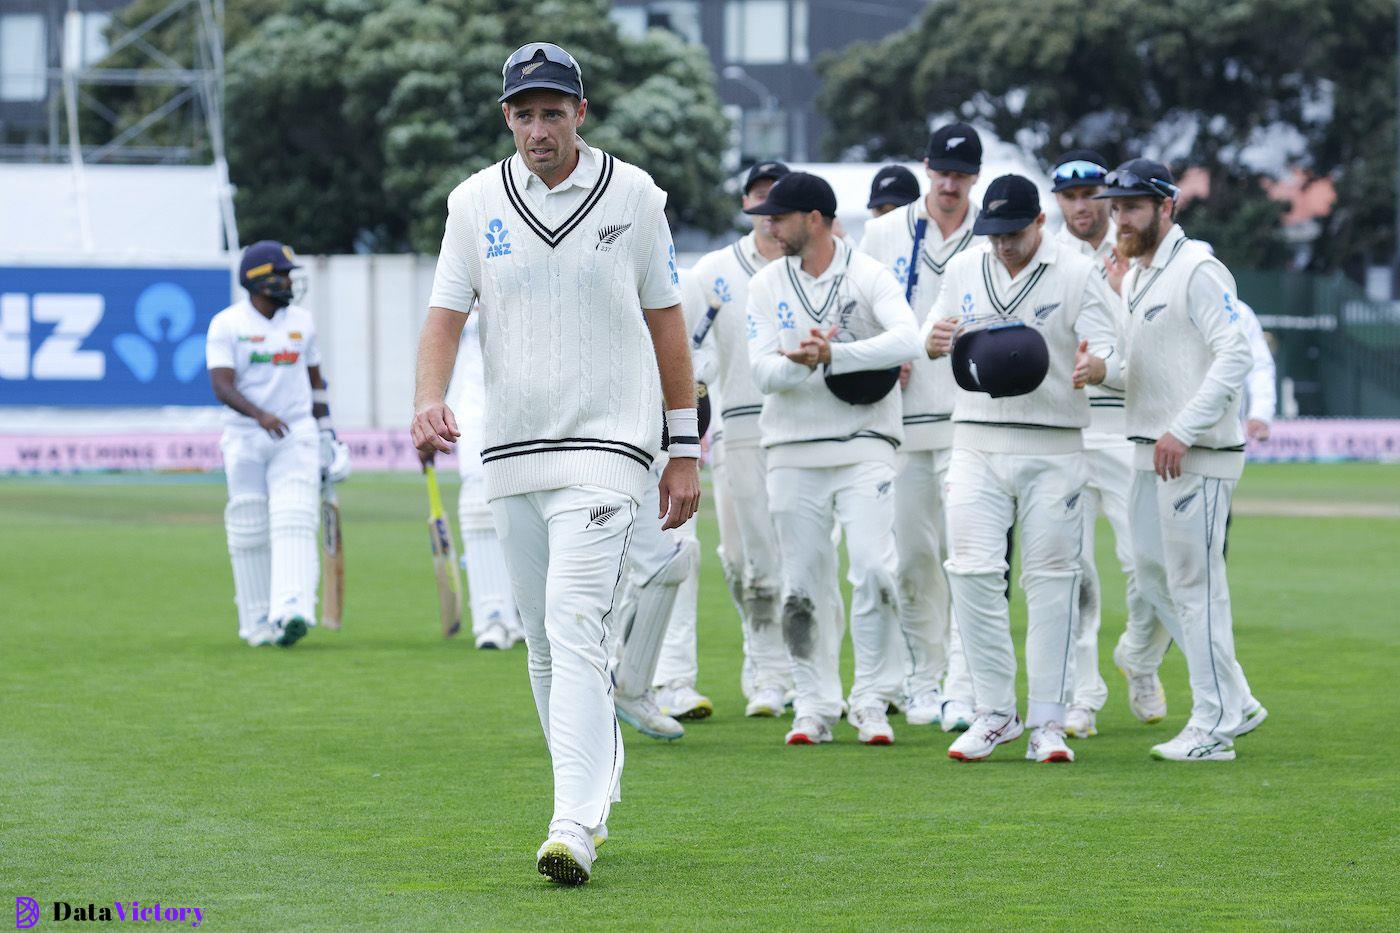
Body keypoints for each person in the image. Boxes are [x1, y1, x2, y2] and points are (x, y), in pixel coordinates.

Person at [411, 43, 700, 883]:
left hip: (611, 447)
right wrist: (428, 398)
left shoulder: (637, 196)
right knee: (542, 640)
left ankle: (572, 819)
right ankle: (588, 792)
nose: (540, 128)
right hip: (512, 449)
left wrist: (682, 449)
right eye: (525, 113)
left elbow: (668, 325)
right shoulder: (472, 203)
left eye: (554, 111)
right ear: (507, 118)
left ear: (582, 112)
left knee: (576, 623)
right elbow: (443, 316)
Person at [923, 175, 1121, 763]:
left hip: (1055, 445)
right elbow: (933, 334)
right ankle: (993, 713)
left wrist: (1099, 366)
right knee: (972, 572)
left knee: (1053, 581)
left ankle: (1049, 723)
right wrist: (932, 340)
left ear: (1039, 223)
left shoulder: (1079, 272)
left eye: (1014, 234)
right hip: (976, 441)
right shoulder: (963, 268)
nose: (1003, 246)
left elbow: (1111, 342)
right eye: (995, 236)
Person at [1095, 159, 1264, 761]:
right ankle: (1235, 697)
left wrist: (1184, 429)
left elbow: (1235, 355)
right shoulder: (1136, 278)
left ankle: (1214, 726)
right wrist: (1103, 372)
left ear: (1168, 207)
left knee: (1197, 589)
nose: (1122, 218)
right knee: (1148, 573)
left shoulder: (1198, 269)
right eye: (1117, 208)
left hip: (1199, 455)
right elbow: (1147, 371)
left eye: (1134, 206)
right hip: (1148, 452)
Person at [745, 171, 921, 746]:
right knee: (802, 584)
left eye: (778, 216)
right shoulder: (767, 283)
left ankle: (872, 698)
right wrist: (800, 361)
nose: (767, 225)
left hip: (865, 441)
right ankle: (815, 705)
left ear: (813, 219)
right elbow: (762, 372)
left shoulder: (867, 272)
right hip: (792, 449)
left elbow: (906, 339)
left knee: (874, 567)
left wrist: (835, 355)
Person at [858, 123, 984, 731]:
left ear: (975, 178)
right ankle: (924, 680)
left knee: (969, 558)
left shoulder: (995, 231)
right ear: (927, 168)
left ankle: (965, 685)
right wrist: (889, 350)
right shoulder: (885, 232)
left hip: (975, 420)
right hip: (903, 425)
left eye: (962, 175)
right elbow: (856, 311)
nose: (950, 185)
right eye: (943, 173)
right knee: (911, 560)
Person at [680, 162, 799, 718]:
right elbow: (688, 351)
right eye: (760, 197)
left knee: (799, 557)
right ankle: (765, 667)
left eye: (779, 197)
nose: (770, 208)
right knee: (744, 560)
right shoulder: (714, 272)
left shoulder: (815, 264)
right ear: (748, 204)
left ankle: (794, 673)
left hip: (804, 428)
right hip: (739, 427)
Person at [1049, 148, 1155, 738]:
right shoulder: (1050, 260)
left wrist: (1121, 293)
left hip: (1127, 428)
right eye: (1069, 196)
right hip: (1068, 429)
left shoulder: (1138, 258)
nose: (1082, 206)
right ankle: (1081, 695)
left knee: (1146, 564)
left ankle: (1139, 657)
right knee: (1074, 570)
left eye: (1092, 195)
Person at [207, 240, 346, 648]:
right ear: (258, 280)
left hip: (295, 433)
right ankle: (256, 622)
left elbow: (316, 383)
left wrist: (326, 434)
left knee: (294, 517)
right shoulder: (227, 324)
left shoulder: (301, 322)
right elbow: (221, 385)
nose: (289, 281)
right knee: (248, 525)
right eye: (282, 274)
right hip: (244, 435)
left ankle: (292, 609)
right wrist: (260, 416)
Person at [445, 308, 524, 650]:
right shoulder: (463, 290)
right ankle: (492, 618)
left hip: (528, 416)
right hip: (476, 418)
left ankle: (522, 615)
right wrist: (436, 410)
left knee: (525, 517)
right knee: (479, 512)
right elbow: (459, 366)